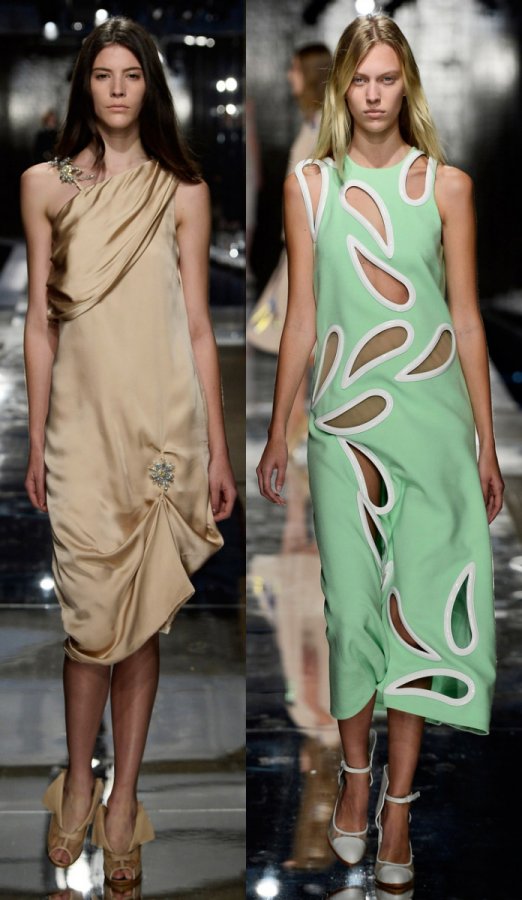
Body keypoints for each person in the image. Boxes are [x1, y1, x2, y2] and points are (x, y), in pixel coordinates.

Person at [257, 13, 503, 893]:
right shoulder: (310, 187)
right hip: (343, 429)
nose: (372, 95)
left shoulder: (447, 187)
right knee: (352, 614)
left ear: (408, 87)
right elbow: (301, 317)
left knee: (419, 617)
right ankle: (354, 779)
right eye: (359, 80)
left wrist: (486, 443)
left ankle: (396, 809)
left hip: (432, 429)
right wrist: (278, 426)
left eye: (387, 79)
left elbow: (466, 318)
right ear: (341, 89)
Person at [21, 15, 236, 891]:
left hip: (162, 433)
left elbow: (200, 327)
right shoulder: (48, 184)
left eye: (132, 75)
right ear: (86, 85)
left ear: (152, 86)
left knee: (142, 626)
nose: (116, 89)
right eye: (103, 74)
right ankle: (77, 784)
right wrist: (36, 438)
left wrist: (218, 450)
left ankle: (123, 805)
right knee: (88, 630)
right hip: (79, 433)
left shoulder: (182, 188)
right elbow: (38, 324)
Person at [247, 43, 331, 450]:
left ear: (309, 74)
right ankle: (298, 418)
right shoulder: (312, 122)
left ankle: (303, 419)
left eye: (295, 69)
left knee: (294, 332)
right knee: (278, 327)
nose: (288, 75)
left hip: (312, 248)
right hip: (296, 247)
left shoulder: (326, 125)